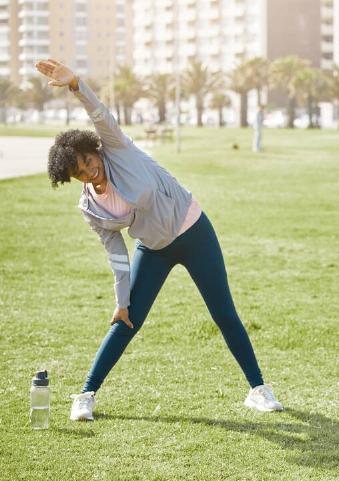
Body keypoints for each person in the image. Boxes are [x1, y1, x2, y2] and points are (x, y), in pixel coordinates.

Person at [35, 59, 283, 421]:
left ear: (94, 151)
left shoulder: (116, 148)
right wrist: (122, 300)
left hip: (194, 230)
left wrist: (77, 85)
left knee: (224, 313)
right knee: (127, 319)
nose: (90, 170)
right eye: (80, 171)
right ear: (73, 177)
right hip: (153, 248)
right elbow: (116, 253)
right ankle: (85, 394)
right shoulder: (90, 206)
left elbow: (99, 113)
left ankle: (259, 390)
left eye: (88, 161)